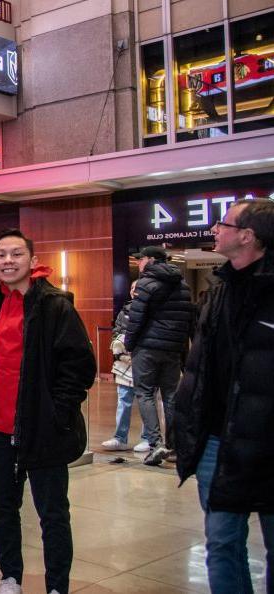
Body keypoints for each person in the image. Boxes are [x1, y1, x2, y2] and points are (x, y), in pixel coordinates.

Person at [0, 228, 95, 594]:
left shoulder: (55, 305)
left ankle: (57, 585)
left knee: (53, 514)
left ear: (32, 260)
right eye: (1, 255)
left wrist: (57, 413)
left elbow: (78, 367)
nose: (8, 261)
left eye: (16, 254)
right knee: (3, 507)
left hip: (43, 428)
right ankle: (10, 576)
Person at [173, 199, 274, 594]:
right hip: (217, 441)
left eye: (223, 224)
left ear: (247, 236)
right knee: (221, 543)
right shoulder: (217, 292)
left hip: (268, 444)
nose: (215, 230)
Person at [124, 245, 196, 466]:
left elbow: (136, 318)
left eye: (141, 259)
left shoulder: (146, 284)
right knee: (171, 395)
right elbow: (188, 318)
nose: (138, 263)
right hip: (173, 349)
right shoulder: (183, 285)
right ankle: (174, 446)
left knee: (144, 393)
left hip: (147, 347)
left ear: (152, 260)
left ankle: (156, 445)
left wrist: (129, 343)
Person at [101, 281, 149, 452]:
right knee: (124, 400)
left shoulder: (151, 309)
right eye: (132, 289)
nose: (134, 292)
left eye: (137, 289)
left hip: (145, 362)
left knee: (146, 401)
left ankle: (148, 438)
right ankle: (120, 438)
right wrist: (120, 349)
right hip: (124, 363)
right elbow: (117, 331)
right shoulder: (125, 310)